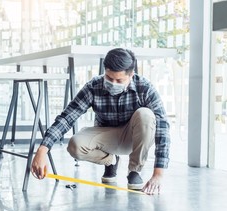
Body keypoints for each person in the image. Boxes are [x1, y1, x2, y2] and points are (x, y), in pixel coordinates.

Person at [31, 48, 170, 195]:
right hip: (106, 138)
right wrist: (42, 150)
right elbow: (67, 117)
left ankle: (134, 170)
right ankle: (111, 161)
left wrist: (158, 174)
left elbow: (162, 127)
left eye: (119, 80)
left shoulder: (145, 88)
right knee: (74, 145)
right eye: (109, 78)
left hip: (133, 137)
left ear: (131, 75)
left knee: (146, 115)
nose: (113, 83)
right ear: (105, 71)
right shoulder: (93, 86)